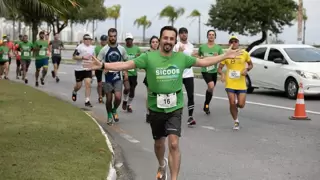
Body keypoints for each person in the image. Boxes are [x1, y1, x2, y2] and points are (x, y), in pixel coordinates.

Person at [85, 26, 242, 180]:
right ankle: (161, 164)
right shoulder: (148, 57)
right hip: (156, 106)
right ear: (160, 39)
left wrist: (224, 56)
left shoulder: (181, 57)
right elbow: (126, 65)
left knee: (173, 144)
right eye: (165, 38)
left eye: (171, 39)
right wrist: (103, 65)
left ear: (175, 41)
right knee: (159, 144)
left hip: (175, 105)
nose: (168, 41)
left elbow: (203, 62)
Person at [218, 36, 253, 130]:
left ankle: (236, 107)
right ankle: (236, 121)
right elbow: (219, 68)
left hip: (241, 83)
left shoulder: (244, 53)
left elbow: (251, 65)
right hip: (230, 83)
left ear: (238, 43)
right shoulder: (227, 54)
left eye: (235, 41)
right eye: (231, 41)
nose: (234, 43)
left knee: (241, 104)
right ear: (230, 43)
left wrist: (246, 69)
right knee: (232, 102)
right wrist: (222, 74)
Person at [96, 28, 128, 124]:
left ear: (116, 36)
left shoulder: (121, 49)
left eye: (114, 36)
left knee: (118, 97)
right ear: (108, 37)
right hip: (107, 78)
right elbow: (97, 63)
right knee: (109, 99)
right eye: (111, 36)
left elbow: (126, 61)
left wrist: (125, 72)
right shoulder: (104, 49)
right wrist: (103, 67)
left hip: (118, 77)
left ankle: (114, 110)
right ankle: (109, 114)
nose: (113, 38)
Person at [173, 27, 196, 126]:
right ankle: (174, 115)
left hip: (189, 74)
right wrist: (179, 53)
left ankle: (190, 117)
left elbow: (192, 59)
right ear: (179, 35)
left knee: (191, 95)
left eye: (185, 33)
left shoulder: (191, 46)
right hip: (178, 74)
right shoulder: (176, 46)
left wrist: (196, 56)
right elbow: (173, 59)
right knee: (176, 95)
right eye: (181, 33)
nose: (184, 34)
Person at [198, 30, 224, 115]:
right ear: (207, 36)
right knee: (211, 85)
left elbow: (223, 58)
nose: (211, 36)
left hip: (214, 71)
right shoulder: (202, 47)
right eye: (209, 34)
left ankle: (206, 105)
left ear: (215, 36)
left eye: (213, 35)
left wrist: (218, 57)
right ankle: (206, 104)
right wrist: (201, 57)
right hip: (205, 70)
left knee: (211, 90)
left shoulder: (218, 48)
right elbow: (198, 56)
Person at [72, 34, 95, 107]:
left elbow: (94, 59)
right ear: (83, 40)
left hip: (88, 69)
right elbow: (74, 56)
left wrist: (93, 69)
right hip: (79, 69)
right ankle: (74, 91)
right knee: (79, 86)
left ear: (91, 40)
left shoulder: (93, 48)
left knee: (88, 84)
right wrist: (82, 57)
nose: (87, 40)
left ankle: (87, 100)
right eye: (86, 39)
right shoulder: (80, 47)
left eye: (89, 39)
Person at [122, 33, 141, 112]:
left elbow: (139, 60)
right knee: (127, 88)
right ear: (125, 41)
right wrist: (124, 71)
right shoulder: (123, 49)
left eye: (130, 40)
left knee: (132, 91)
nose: (129, 41)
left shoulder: (137, 49)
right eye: (127, 40)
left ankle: (129, 105)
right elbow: (121, 61)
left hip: (134, 74)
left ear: (132, 40)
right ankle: (125, 100)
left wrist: (137, 57)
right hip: (125, 72)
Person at [144, 36, 159, 123]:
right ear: (150, 43)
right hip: (149, 77)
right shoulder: (147, 53)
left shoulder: (160, 53)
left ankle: (157, 112)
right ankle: (148, 113)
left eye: (156, 42)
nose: (155, 43)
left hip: (159, 77)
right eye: (153, 42)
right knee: (150, 95)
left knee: (158, 95)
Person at [94, 35, 108, 103]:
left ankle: (103, 93)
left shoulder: (109, 48)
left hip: (106, 68)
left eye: (105, 40)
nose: (104, 42)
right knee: (99, 84)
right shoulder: (97, 48)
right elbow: (95, 58)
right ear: (101, 40)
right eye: (102, 40)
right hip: (98, 68)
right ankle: (100, 97)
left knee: (105, 84)